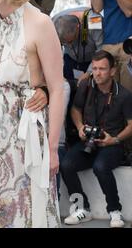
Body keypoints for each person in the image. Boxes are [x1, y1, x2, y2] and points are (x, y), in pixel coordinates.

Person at [0, 0, 64, 228]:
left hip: (24, 137)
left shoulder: (40, 22)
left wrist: (52, 148)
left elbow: (58, 88)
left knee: (27, 209)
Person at [60, 50, 132, 228]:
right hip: (88, 141)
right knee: (66, 164)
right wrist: (79, 127)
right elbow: (75, 110)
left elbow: (131, 124)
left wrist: (114, 139)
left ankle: (115, 211)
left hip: (112, 144)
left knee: (101, 167)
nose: (97, 73)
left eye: (102, 69)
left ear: (113, 71)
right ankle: (82, 208)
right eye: (95, 68)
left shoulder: (124, 95)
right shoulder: (85, 85)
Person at [90, 0, 132, 92]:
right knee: (109, 94)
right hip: (109, 43)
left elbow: (129, 10)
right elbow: (97, 7)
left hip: (128, 43)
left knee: (127, 93)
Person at [53, 11, 103, 85]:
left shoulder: (94, 21)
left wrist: (90, 71)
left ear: (78, 27)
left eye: (71, 41)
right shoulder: (53, 23)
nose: (69, 46)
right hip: (70, 58)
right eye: (64, 42)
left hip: (92, 60)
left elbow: (101, 50)